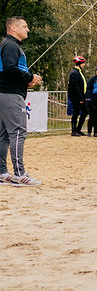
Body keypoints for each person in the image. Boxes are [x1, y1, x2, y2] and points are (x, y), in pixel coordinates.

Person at [0, 16, 43, 186]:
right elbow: (10, 69)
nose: (28, 29)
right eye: (24, 26)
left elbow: (8, 71)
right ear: (13, 28)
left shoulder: (7, 45)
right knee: (18, 132)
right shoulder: (10, 45)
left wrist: (26, 80)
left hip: (6, 92)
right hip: (10, 94)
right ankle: (19, 174)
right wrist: (30, 77)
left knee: (3, 134)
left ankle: (2, 172)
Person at [68, 55, 88, 136]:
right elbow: (75, 87)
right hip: (77, 97)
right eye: (83, 63)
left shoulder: (79, 72)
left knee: (85, 111)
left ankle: (78, 129)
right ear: (79, 63)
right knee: (76, 113)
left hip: (82, 96)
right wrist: (80, 97)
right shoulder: (74, 73)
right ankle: (74, 130)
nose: (84, 64)